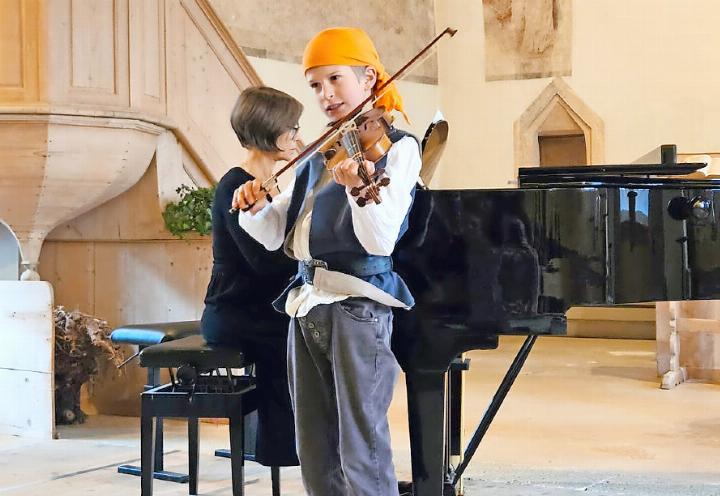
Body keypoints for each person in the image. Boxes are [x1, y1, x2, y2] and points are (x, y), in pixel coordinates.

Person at [232, 27, 421, 496]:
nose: (325, 94)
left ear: (369, 77)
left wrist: (360, 190)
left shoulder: (398, 147)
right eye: (316, 85)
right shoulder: (326, 146)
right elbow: (282, 233)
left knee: (362, 448)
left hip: (358, 307)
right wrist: (255, 208)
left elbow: (379, 241)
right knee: (314, 447)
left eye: (335, 79)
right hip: (307, 302)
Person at [200, 86, 303, 468]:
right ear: (268, 132)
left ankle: (300, 449)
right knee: (295, 341)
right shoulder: (236, 186)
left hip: (256, 306)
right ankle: (285, 454)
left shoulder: (268, 185)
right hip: (235, 312)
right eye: (291, 128)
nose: (296, 135)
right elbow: (264, 263)